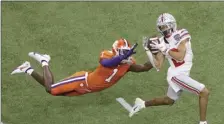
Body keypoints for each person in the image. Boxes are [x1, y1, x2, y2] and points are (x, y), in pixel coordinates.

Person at [129, 13, 216, 124]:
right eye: (162, 27)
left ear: (172, 24)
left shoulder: (182, 34)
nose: (164, 29)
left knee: (168, 100)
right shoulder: (160, 41)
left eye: (166, 26)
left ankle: (142, 104)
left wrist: (164, 48)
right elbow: (158, 66)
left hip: (183, 72)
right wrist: (149, 51)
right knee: (204, 92)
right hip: (176, 74)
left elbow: (180, 56)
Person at [11, 38, 153, 96]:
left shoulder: (128, 64)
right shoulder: (107, 55)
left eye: (126, 52)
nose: (125, 55)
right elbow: (106, 64)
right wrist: (120, 58)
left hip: (86, 89)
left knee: (52, 90)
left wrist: (158, 52)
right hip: (82, 80)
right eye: (122, 52)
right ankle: (44, 61)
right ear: (116, 52)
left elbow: (145, 67)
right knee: (51, 89)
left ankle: (27, 68)